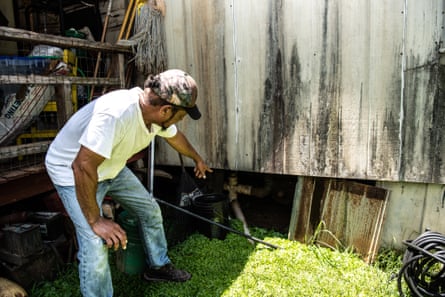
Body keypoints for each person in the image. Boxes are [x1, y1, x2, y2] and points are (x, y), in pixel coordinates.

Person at [45, 69, 213, 297]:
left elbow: (175, 137)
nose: (179, 121)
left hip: (109, 168)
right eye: (181, 116)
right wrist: (96, 221)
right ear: (165, 110)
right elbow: (82, 166)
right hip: (72, 172)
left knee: (150, 210)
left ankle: (159, 267)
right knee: (95, 242)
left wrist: (197, 159)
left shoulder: (155, 115)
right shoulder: (116, 114)